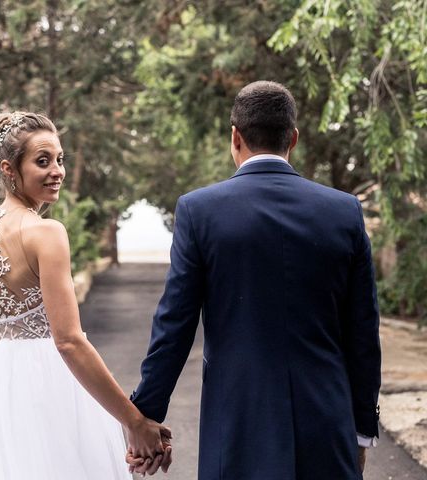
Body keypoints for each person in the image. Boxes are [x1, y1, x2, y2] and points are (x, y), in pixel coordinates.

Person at [127, 81, 381, 479]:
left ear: (236, 137)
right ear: (292, 139)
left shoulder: (199, 211)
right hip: (327, 424)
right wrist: (363, 430)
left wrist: (145, 418)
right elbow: (363, 333)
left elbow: (174, 325)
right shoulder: (344, 211)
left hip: (237, 426)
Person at [0, 111, 170, 479]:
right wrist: (135, 422)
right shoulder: (46, 233)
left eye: (60, 159)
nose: (57, 171)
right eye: (42, 161)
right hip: (46, 394)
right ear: (8, 169)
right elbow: (69, 342)